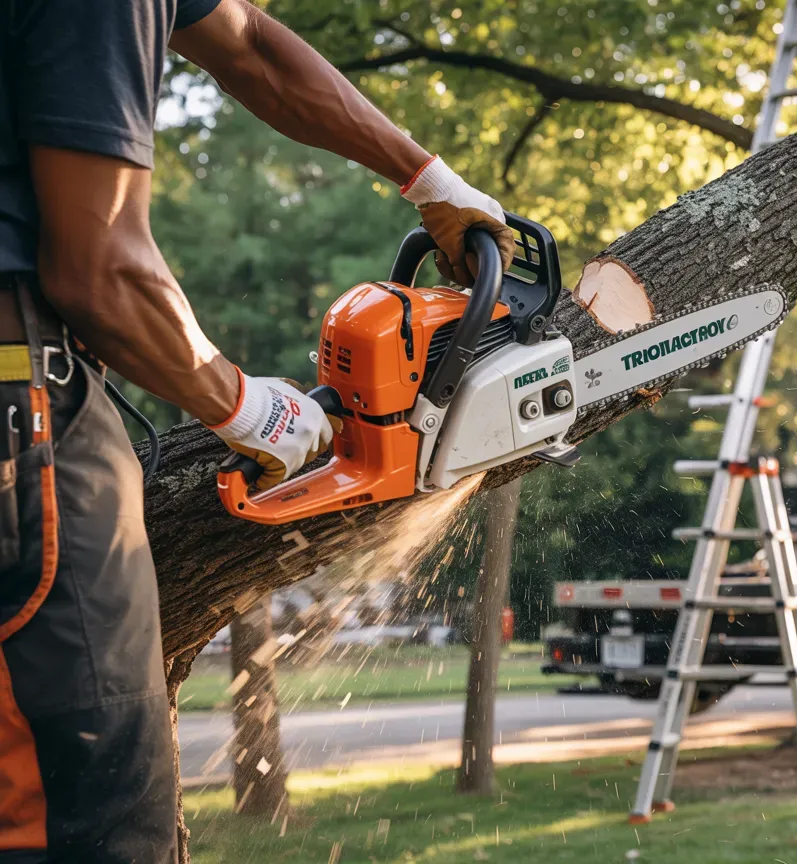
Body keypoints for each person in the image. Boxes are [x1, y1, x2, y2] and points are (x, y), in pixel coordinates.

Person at [0, 1, 514, 860]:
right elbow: (102, 273)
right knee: (89, 816)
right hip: (23, 391)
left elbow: (249, 44)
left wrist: (428, 177)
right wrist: (243, 405)